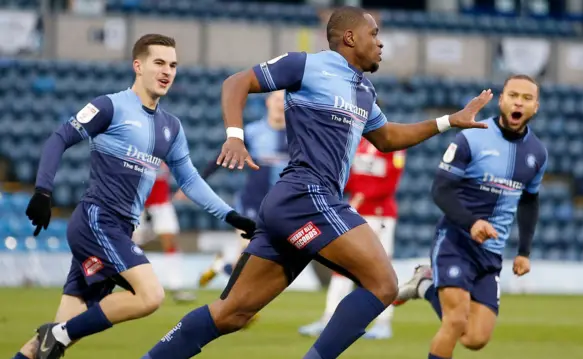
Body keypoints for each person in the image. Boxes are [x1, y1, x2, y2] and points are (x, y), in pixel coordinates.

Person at [140, 6, 492, 359]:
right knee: (384, 284)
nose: (380, 43)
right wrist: (235, 135)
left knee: (232, 314)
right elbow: (237, 82)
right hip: (308, 195)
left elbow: (386, 137)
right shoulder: (305, 65)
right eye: (374, 35)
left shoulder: (364, 91)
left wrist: (448, 121)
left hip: (294, 206)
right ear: (350, 38)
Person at [13, 34, 256, 359]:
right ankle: (58, 333)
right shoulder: (110, 106)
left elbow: (191, 180)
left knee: (51, 346)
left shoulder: (171, 127)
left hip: (119, 229)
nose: (167, 70)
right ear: (138, 66)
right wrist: (43, 190)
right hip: (97, 221)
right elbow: (60, 138)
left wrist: (231, 216)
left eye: (173, 65)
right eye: (159, 62)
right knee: (150, 295)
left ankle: (55, 336)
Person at [394, 74, 546, 359]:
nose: (518, 102)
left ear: (535, 107)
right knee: (454, 322)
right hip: (455, 242)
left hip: (490, 254)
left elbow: (529, 200)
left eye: (527, 98)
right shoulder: (472, 136)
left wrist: (524, 251)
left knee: (475, 339)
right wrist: (472, 223)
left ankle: (424, 285)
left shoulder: (537, 153)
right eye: (513, 95)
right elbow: (440, 190)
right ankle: (429, 282)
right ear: (502, 100)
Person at [299, 137, 405, 339]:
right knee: (343, 265)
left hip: (380, 213)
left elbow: (391, 182)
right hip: (354, 211)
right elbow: (348, 174)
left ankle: (384, 323)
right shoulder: (356, 142)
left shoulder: (392, 144)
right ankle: (328, 318)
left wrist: (364, 195)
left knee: (382, 268)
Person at [193, 90, 288, 288]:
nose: (280, 104)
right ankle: (237, 306)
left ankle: (223, 266)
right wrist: (199, 180)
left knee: (256, 260)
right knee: (250, 253)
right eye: (277, 99)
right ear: (268, 102)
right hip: (252, 202)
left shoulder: (296, 135)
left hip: (280, 205)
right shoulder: (253, 131)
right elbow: (225, 154)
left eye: (284, 100)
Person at [133, 162, 196, 303]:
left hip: (162, 205)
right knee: (132, 246)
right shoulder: (136, 151)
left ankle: (176, 286)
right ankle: (132, 285)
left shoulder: (164, 150)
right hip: (139, 206)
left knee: (170, 243)